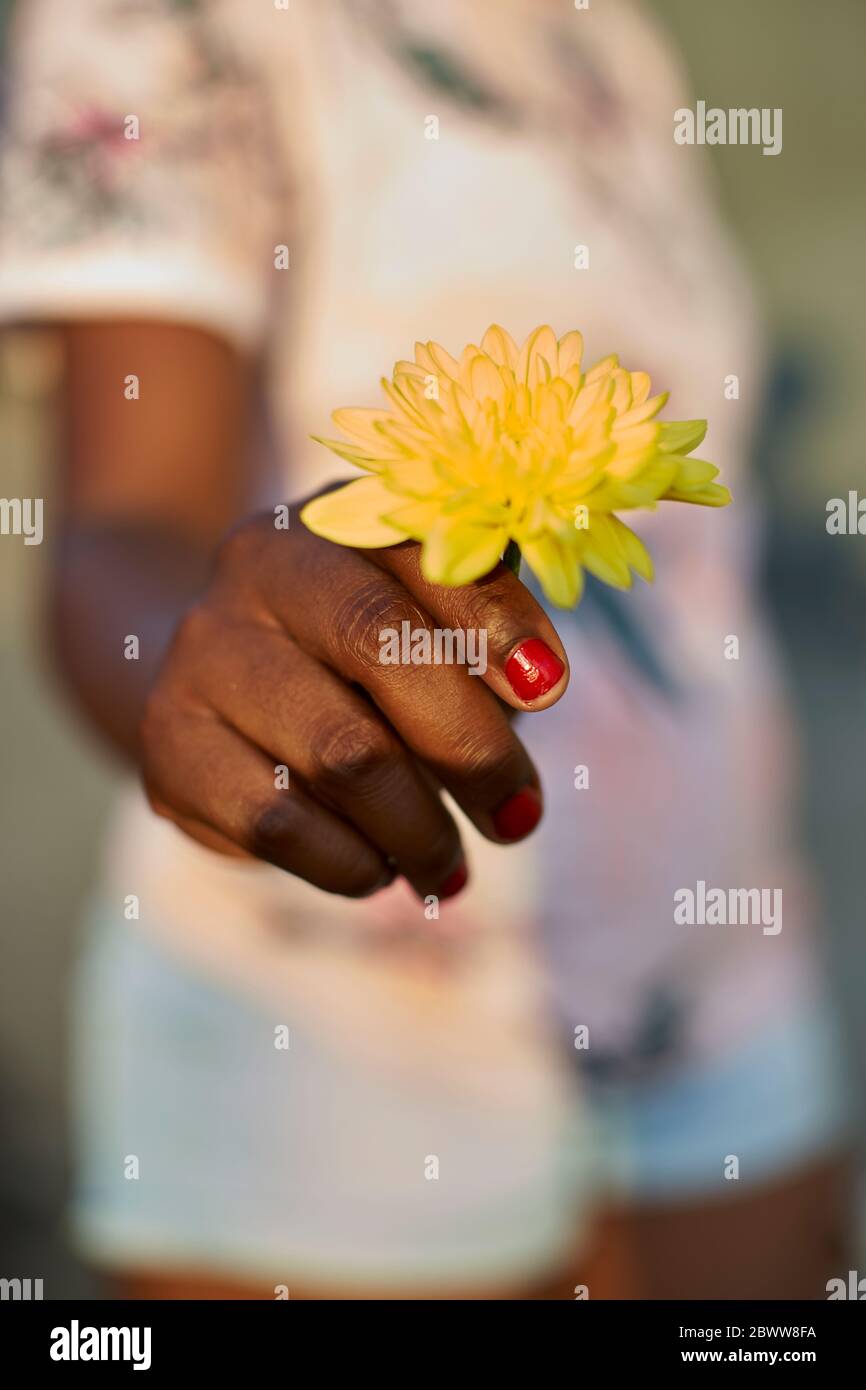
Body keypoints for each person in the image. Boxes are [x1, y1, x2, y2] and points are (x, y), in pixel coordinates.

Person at [0, 0, 850, 1299]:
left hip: (720, 1000)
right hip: (340, 1056)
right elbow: (121, 535)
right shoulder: (156, 20)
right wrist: (203, 669)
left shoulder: (601, 35)